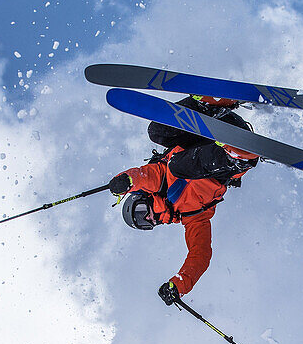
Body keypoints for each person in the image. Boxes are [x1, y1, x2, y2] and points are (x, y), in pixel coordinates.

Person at [108, 95, 259, 306]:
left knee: (157, 134)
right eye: (145, 223)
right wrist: (179, 285)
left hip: (217, 128)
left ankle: (208, 104)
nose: (149, 217)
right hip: (232, 159)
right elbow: (200, 255)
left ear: (142, 197)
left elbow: (144, 176)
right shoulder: (193, 216)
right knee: (179, 165)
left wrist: (126, 180)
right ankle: (237, 155)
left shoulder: (159, 181)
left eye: (141, 211)